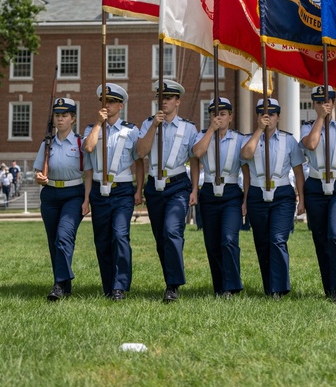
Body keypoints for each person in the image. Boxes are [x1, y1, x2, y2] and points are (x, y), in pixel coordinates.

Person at [137, 80, 200, 303]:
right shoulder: (148, 124)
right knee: (161, 238)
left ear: (177, 101)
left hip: (178, 185)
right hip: (154, 185)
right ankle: (169, 280)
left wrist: (194, 189)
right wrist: (154, 126)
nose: (163, 101)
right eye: (161, 97)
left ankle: (173, 285)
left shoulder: (188, 128)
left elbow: (194, 160)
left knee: (172, 231)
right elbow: (141, 152)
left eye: (168, 98)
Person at [82, 83, 142, 301]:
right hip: (99, 190)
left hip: (123, 190)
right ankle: (108, 286)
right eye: (104, 101)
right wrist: (99, 124)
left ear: (121, 105)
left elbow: (139, 161)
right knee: (102, 240)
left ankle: (120, 285)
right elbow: (88, 149)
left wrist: (139, 189)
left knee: (120, 235)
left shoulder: (131, 130)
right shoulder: (91, 130)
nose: (107, 105)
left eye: (112, 101)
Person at [240, 97, 305, 299]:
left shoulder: (289, 141)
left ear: (278, 117)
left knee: (277, 240)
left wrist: (301, 198)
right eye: (262, 114)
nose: (267, 117)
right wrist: (259, 131)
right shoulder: (249, 139)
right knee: (262, 242)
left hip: (282, 194)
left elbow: (299, 171)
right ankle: (269, 286)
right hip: (257, 194)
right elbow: (246, 155)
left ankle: (279, 288)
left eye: (272, 114)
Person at [299, 85, 336, 304]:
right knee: (321, 239)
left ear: (334, 102)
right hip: (315, 187)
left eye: (329, 101)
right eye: (320, 101)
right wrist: (320, 120)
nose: (325, 104)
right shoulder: (307, 128)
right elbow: (312, 144)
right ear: (314, 104)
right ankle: (330, 287)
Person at [33, 98, 92, 301]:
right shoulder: (47, 143)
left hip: (73, 194)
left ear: (72, 118)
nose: (60, 119)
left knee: (63, 237)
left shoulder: (80, 143)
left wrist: (87, 199)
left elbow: (89, 173)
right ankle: (64, 284)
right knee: (54, 242)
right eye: (57, 115)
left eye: (64, 115)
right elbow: (38, 172)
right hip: (49, 196)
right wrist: (39, 178)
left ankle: (58, 285)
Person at [192, 97, 247, 298]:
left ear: (231, 117)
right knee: (212, 242)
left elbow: (246, 170)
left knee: (229, 239)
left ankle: (232, 285)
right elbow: (197, 154)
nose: (219, 118)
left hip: (231, 192)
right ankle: (219, 287)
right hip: (208, 191)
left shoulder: (239, 138)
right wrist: (211, 131)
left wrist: (246, 199)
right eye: (215, 114)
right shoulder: (203, 136)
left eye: (223, 114)